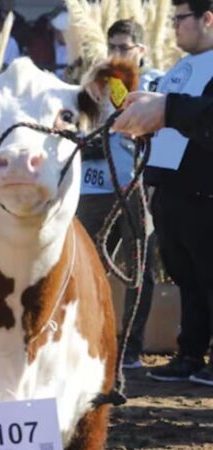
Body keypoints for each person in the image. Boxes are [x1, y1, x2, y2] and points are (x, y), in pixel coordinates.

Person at [112, 0, 213, 386]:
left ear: (207, 18)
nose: (173, 27)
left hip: (205, 191)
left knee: (209, 276)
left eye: (180, 19)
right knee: (186, 276)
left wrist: (167, 110)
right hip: (170, 188)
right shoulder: (178, 68)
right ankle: (190, 353)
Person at [77, 19, 161, 370]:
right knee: (86, 264)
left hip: (137, 186)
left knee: (138, 267)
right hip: (94, 184)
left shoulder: (157, 82)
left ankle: (130, 345)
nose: (116, 54)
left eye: (124, 48)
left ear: (141, 50)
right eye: (112, 47)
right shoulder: (96, 81)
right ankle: (88, 338)